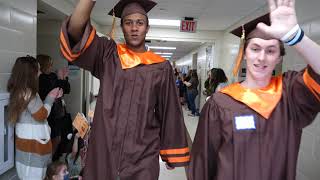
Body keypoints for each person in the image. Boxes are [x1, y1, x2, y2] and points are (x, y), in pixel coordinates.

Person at [188, 0, 320, 179]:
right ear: (244, 53)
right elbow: (202, 163)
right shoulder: (220, 103)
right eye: (255, 48)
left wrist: (296, 37)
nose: (262, 57)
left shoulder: (291, 93)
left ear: (279, 58)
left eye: (271, 51)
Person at [59, 0, 190, 179]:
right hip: (104, 151)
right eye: (128, 23)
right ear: (121, 27)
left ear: (147, 28)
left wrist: (171, 151)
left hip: (143, 153)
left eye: (140, 22)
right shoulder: (108, 55)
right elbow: (75, 31)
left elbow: (169, 111)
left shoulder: (161, 67)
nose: (134, 28)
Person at [7, 56, 63, 180]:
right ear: (30, 73)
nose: (40, 72)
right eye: (37, 70)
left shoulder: (18, 91)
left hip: (27, 150)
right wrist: (51, 97)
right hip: (33, 153)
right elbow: (41, 115)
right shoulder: (28, 93)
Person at [37, 54, 71, 161]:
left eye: (51, 63)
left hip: (57, 113)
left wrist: (63, 78)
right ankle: (48, 163)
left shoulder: (52, 75)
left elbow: (66, 89)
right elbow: (54, 89)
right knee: (54, 138)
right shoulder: (41, 79)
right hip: (48, 113)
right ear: (43, 65)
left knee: (59, 138)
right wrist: (61, 79)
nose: (51, 65)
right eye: (49, 63)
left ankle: (52, 160)